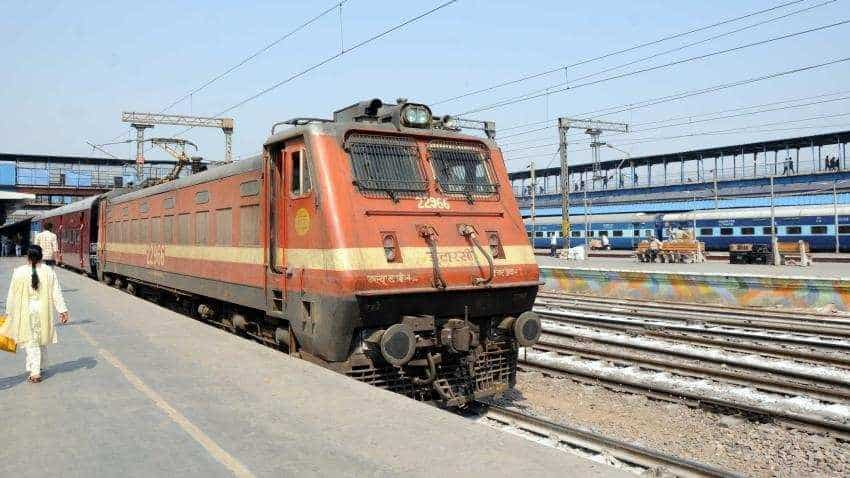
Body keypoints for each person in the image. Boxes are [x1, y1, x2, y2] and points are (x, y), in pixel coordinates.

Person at [0, 245, 69, 383]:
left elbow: (12, 295)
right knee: (40, 339)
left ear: (27, 256)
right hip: (43, 311)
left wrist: (8, 312)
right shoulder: (49, 272)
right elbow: (56, 292)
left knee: (31, 341)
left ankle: (35, 372)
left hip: (25, 311)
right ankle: (39, 365)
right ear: (41, 257)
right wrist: (62, 310)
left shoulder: (19, 272)